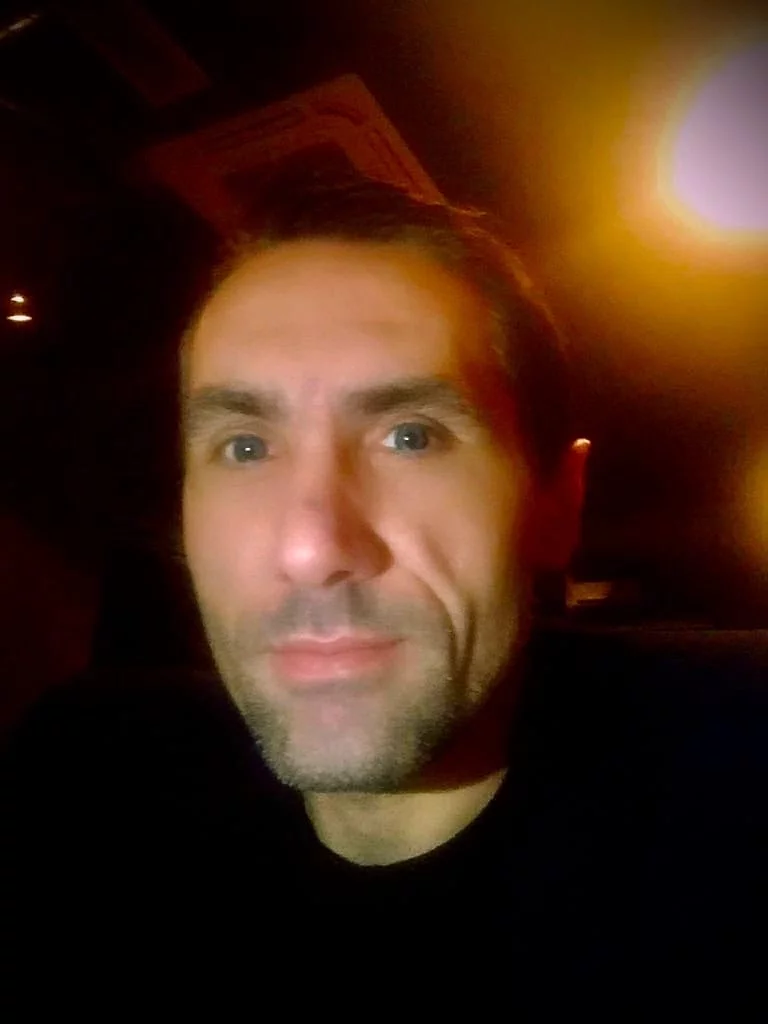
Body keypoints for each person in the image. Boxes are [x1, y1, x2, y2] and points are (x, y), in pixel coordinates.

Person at [5, 178, 766, 1009]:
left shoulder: (738, 758)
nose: (311, 550)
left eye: (412, 436)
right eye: (245, 447)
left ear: (558, 504)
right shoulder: (80, 780)